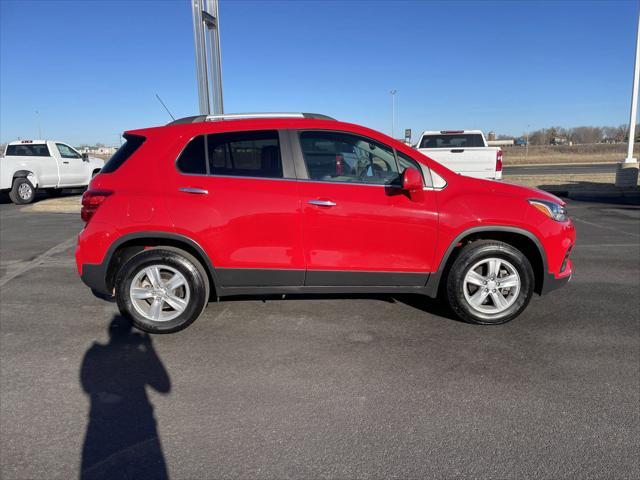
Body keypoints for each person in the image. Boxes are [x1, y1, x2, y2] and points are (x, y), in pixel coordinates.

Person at [80, 316, 171, 479]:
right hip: (137, 419)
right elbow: (164, 386)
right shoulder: (136, 356)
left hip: (101, 420)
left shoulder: (93, 353)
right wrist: (149, 350)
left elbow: (88, 385)